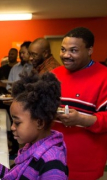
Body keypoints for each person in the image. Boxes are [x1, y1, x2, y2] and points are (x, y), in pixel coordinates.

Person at [0, 71, 68, 180]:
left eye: (17, 123)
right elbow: (20, 176)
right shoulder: (32, 145)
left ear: (39, 122)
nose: (12, 127)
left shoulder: (52, 163)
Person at [52, 27, 107, 180]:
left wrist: (81, 119)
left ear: (90, 50)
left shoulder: (104, 77)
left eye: (73, 50)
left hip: (84, 165)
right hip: (52, 158)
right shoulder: (54, 75)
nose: (65, 55)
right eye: (63, 49)